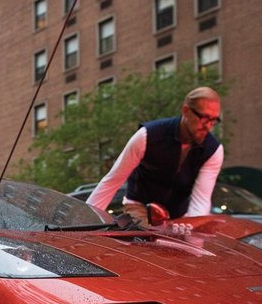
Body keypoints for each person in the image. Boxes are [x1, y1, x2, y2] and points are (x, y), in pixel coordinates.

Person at [86, 87, 224, 225]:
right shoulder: (147, 135)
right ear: (186, 111)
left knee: (182, 244)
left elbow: (201, 200)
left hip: (179, 215)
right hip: (140, 207)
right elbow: (113, 180)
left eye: (214, 120)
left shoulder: (213, 150)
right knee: (144, 243)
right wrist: (86, 221)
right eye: (204, 118)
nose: (208, 126)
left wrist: (192, 230)